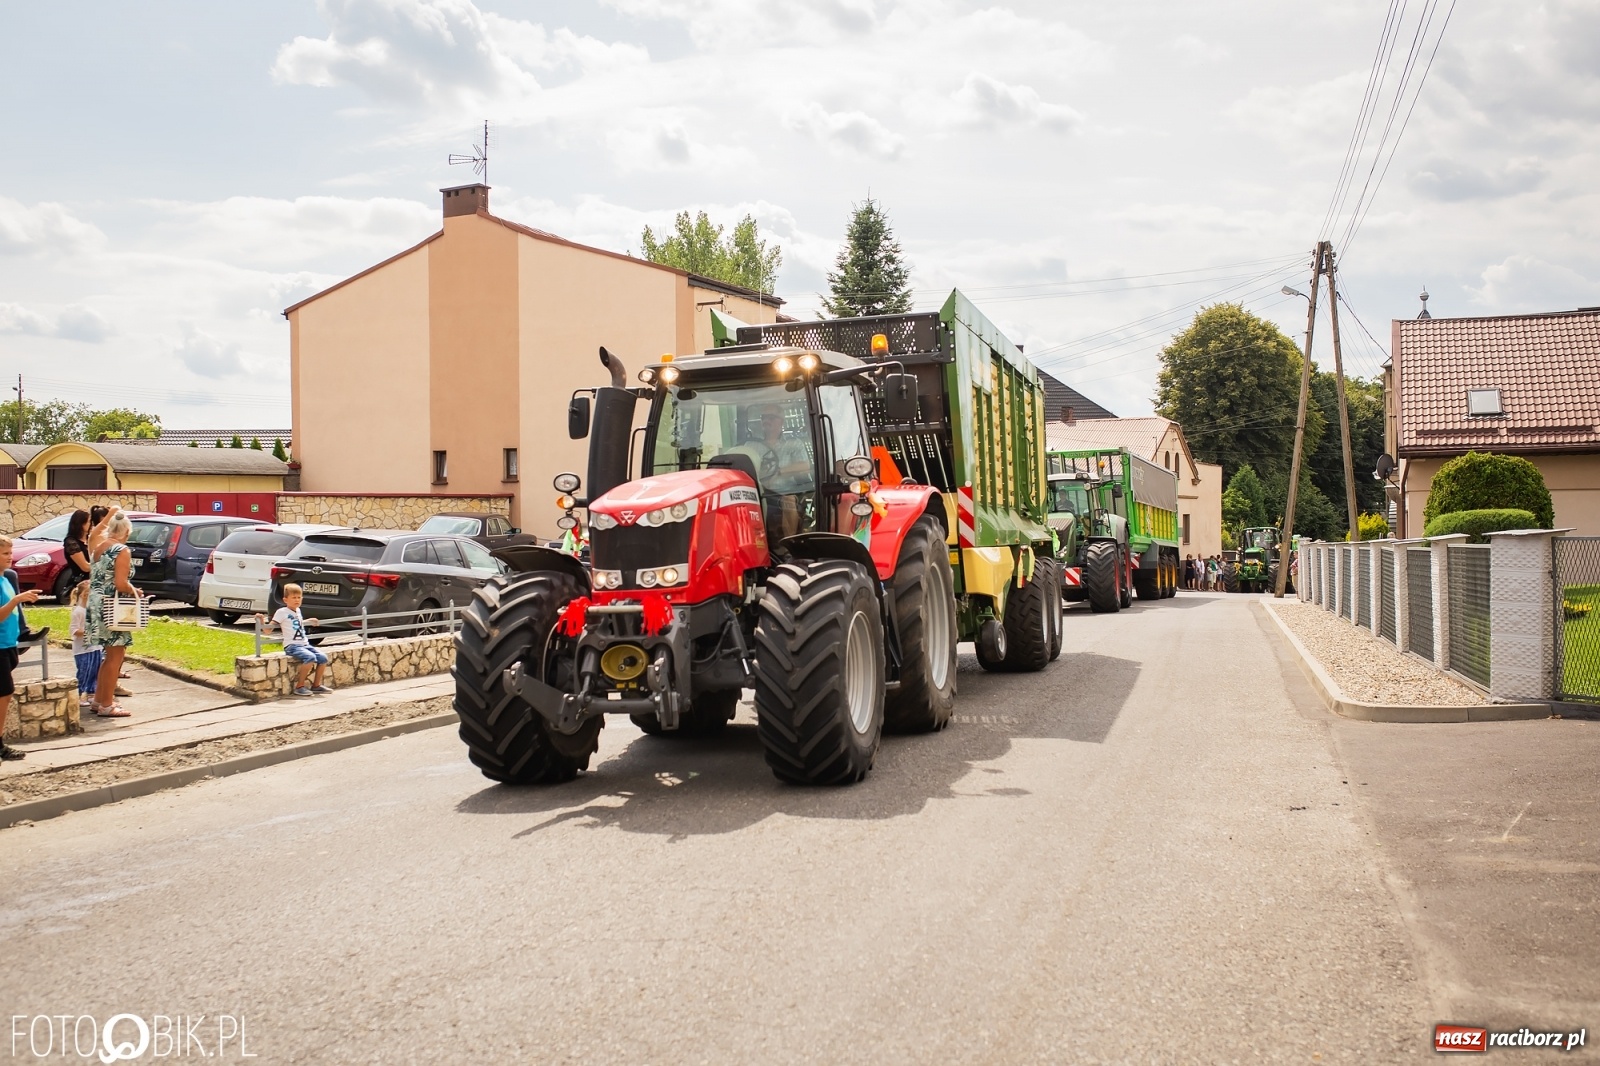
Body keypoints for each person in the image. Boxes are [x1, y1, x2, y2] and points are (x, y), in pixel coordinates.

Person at [86, 512, 141, 717]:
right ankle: (107, 704)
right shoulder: (122, 550)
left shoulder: (99, 547)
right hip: (113, 607)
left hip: (96, 603)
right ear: (127, 531)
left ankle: (99, 699)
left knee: (108, 655)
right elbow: (119, 583)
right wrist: (134, 590)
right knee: (115, 656)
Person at [0, 536, 43, 759]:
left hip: (8, 644)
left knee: (5, 694)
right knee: (4, 693)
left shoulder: (5, 579)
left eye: (10, 552)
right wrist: (16, 600)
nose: (10, 557)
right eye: (5, 554)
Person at [259, 584, 332, 696]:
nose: (297, 600)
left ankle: (316, 686)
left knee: (323, 658)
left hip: (304, 644)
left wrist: (308, 620)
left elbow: (297, 623)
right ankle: (299, 686)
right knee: (310, 657)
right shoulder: (282, 612)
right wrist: (261, 621)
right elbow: (268, 631)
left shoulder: (298, 611)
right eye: (294, 598)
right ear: (285, 599)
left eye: (299, 597)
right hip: (292, 646)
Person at [70, 579, 102, 714]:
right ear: (84, 595)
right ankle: (78, 694)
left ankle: (91, 693)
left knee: (95, 671)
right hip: (82, 649)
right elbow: (74, 631)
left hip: (95, 647)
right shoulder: (78, 612)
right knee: (84, 671)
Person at [61, 509, 93, 596]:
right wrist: (103, 566)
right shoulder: (71, 542)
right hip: (81, 584)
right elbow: (85, 567)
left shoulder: (90, 539)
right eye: (89, 522)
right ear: (81, 523)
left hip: (94, 582)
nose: (91, 524)